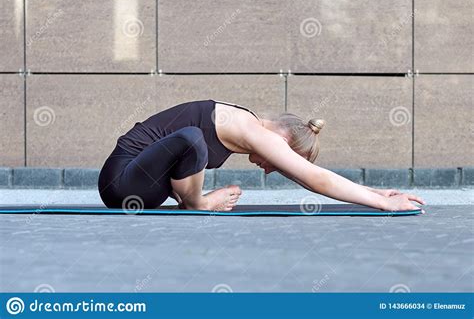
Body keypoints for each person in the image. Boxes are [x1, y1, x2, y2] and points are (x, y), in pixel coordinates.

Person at [98, 99, 425, 212]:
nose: (272, 170)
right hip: (121, 182)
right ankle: (197, 203)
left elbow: (305, 176)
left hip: (144, 190)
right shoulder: (250, 128)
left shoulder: (247, 127)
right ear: (281, 138)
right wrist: (383, 205)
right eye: (280, 158)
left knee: (190, 141)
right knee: (191, 138)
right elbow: (314, 178)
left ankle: (194, 201)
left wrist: (375, 192)